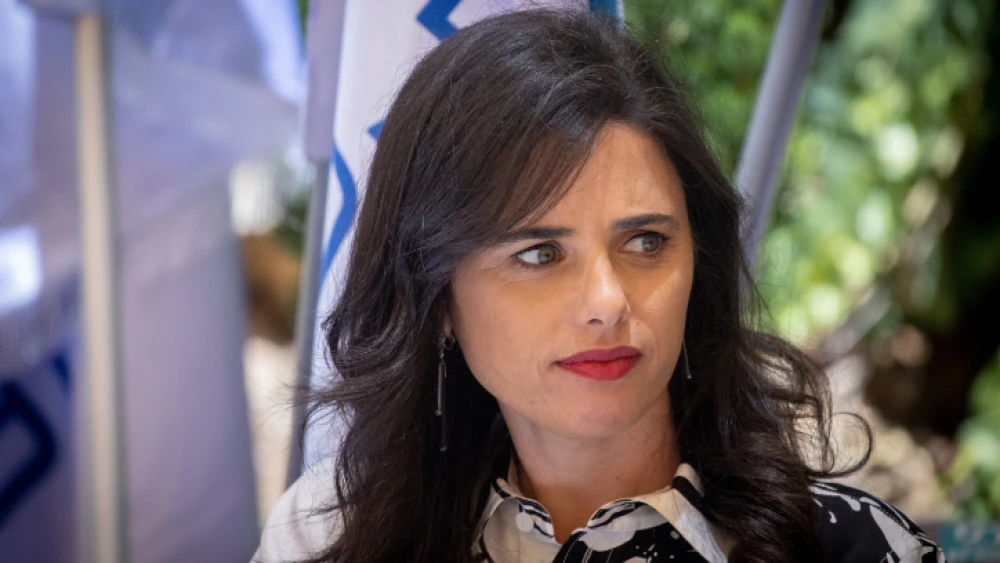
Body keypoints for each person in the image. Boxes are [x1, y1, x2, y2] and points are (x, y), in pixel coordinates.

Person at [254, 8, 946, 563]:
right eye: (540, 253)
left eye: (646, 242)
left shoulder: (847, 547)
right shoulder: (328, 538)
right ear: (437, 300)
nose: (608, 300)